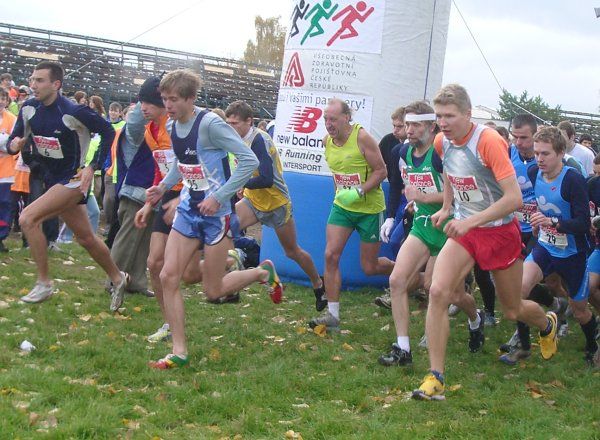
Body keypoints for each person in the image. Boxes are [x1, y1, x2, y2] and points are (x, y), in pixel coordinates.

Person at [412, 84, 558, 401]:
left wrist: (468, 220)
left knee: (512, 309)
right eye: (439, 117)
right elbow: (451, 173)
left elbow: (514, 199)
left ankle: (546, 322)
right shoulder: (441, 141)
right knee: (437, 291)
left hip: (500, 232)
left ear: (467, 113)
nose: (444, 123)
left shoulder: (488, 141)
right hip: (466, 230)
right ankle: (435, 377)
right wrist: (448, 207)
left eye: (450, 116)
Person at [144, 69, 280, 369]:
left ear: (191, 99)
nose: (168, 105)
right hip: (189, 211)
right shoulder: (173, 123)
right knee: (171, 276)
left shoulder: (210, 125)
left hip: (215, 215)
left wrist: (220, 197)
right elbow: (185, 164)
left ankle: (260, 274)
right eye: (164, 99)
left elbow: (249, 161)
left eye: (174, 99)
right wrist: (164, 187)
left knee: (213, 290)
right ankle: (179, 351)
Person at [6, 61, 125, 305]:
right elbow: (13, 139)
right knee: (86, 238)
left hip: (73, 179)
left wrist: (92, 166)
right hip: (52, 179)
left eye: (39, 81)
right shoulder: (28, 108)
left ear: (56, 84)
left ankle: (44, 283)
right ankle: (119, 276)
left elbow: (108, 132)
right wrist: (14, 145)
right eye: (32, 80)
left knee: (28, 218)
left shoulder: (74, 111)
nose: (33, 85)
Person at [378, 100, 483, 367]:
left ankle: (475, 317)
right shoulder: (402, 151)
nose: (409, 130)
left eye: (415, 125)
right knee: (397, 280)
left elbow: (459, 195)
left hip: (449, 229)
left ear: (430, 126)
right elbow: (400, 185)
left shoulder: (441, 153)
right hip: (423, 224)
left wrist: (422, 195)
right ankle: (403, 348)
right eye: (407, 124)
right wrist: (394, 214)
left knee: (448, 293)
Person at [225, 100, 326, 311]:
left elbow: (266, 179)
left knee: (292, 251)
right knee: (226, 229)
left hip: (276, 203)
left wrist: (241, 183)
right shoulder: (236, 139)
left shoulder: (258, 139)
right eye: (228, 123)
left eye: (234, 123)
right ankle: (232, 285)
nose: (230, 127)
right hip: (254, 200)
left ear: (249, 122)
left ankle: (318, 284)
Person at [308, 98, 394, 331]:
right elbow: (340, 174)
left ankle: (404, 272)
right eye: (325, 118)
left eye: (333, 119)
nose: (328, 123)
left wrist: (359, 191)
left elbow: (381, 171)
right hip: (342, 208)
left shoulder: (362, 137)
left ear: (347, 117)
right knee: (330, 255)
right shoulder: (327, 141)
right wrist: (343, 194)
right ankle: (333, 315)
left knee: (370, 267)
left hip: (369, 209)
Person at [519, 127, 598, 366]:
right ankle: (523, 346)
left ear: (561, 153)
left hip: (573, 252)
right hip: (545, 246)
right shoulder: (534, 172)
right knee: (518, 290)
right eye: (536, 153)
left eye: (546, 154)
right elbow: (540, 206)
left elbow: (583, 224)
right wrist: (536, 222)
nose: (539, 159)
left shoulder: (573, 179)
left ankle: (592, 345)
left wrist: (552, 222)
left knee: (580, 309)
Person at [0, 88, 17, 252]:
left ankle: (1, 237)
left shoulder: (12, 119)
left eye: (3, 98)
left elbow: (14, 142)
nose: (1, 101)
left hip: (6, 170)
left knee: (4, 204)